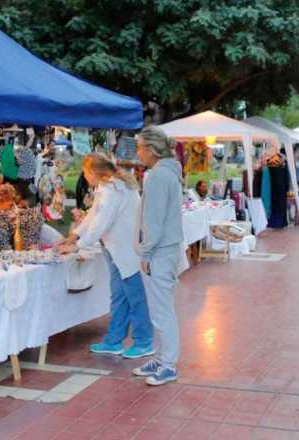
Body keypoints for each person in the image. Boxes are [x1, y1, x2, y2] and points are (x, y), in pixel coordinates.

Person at [58, 153, 154, 359]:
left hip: (127, 249)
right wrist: (73, 236)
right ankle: (114, 340)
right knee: (119, 295)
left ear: (95, 172)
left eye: (85, 172)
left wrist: (78, 246)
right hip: (115, 249)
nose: (84, 176)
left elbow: (102, 223)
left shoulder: (114, 190)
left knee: (135, 296)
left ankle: (144, 340)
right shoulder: (107, 187)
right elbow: (94, 214)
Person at [131, 126, 184, 386]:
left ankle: (169, 363)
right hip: (166, 249)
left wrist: (146, 252)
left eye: (139, 147)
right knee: (160, 307)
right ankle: (164, 357)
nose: (137, 152)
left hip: (160, 252)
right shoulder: (168, 172)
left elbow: (154, 220)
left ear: (150, 149)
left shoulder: (157, 176)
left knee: (161, 309)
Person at [0, 183, 43, 250]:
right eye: (2, 194)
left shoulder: (31, 213)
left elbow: (33, 197)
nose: (4, 195)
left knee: (36, 216)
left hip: (20, 218)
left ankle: (26, 251)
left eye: (5, 193)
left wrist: (27, 202)